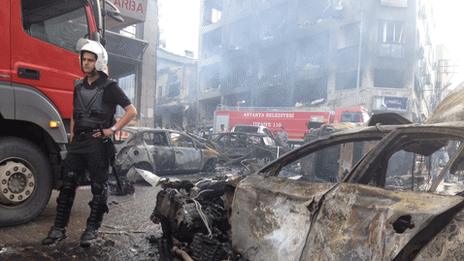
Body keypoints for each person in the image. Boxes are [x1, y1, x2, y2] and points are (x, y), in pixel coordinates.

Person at [42, 40, 137, 247]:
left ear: (99, 62)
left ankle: (92, 230)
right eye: (83, 59)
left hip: (97, 143)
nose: (85, 63)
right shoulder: (78, 85)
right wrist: (71, 134)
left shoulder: (110, 87)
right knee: (67, 185)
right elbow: (76, 111)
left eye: (90, 60)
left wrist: (112, 130)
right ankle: (59, 229)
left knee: (98, 188)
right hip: (78, 142)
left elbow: (132, 111)